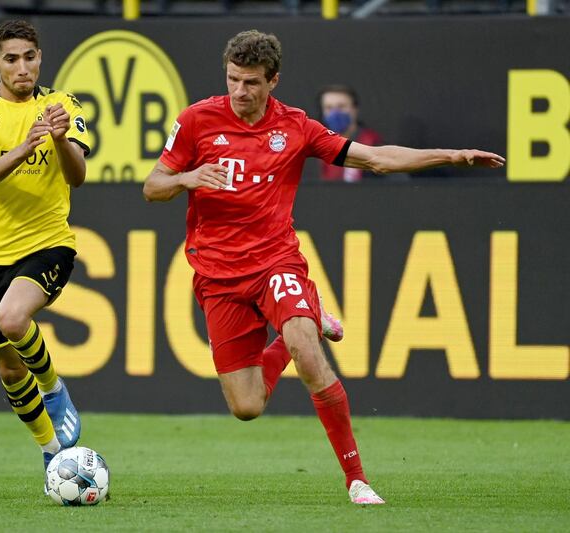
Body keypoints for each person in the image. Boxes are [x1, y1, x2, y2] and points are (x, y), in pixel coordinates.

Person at [143, 29, 504, 504]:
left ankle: (356, 479)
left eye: (251, 82)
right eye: (232, 79)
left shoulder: (295, 128)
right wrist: (189, 177)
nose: (239, 92)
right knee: (247, 407)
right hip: (216, 273)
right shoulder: (195, 121)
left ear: (273, 80)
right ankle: (311, 324)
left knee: (308, 353)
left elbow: (377, 158)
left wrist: (450, 156)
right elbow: (153, 186)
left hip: (275, 261)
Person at [0, 20, 91, 482]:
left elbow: (78, 176)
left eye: (29, 56)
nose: (22, 66)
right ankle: (52, 453)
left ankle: (53, 388)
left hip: (48, 242)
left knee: (14, 320)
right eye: (11, 58)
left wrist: (60, 140)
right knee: (10, 370)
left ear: (40, 58)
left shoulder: (63, 106)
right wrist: (27, 145)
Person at [317, 84, 382, 182]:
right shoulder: (316, 148)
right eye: (329, 108)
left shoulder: (372, 145)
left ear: (355, 109)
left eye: (341, 106)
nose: (335, 113)